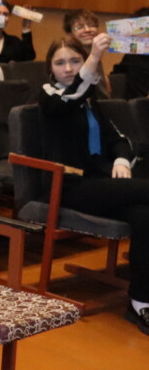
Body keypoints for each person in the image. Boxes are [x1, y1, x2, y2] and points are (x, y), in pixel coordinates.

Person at [37, 34, 149, 334]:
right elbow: (69, 97)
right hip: (68, 185)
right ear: (50, 68)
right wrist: (94, 58)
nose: (68, 68)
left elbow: (118, 139)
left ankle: (140, 301)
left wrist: (121, 160)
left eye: (75, 61)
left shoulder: (90, 100)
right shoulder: (49, 95)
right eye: (60, 63)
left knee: (144, 216)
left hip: (99, 184)